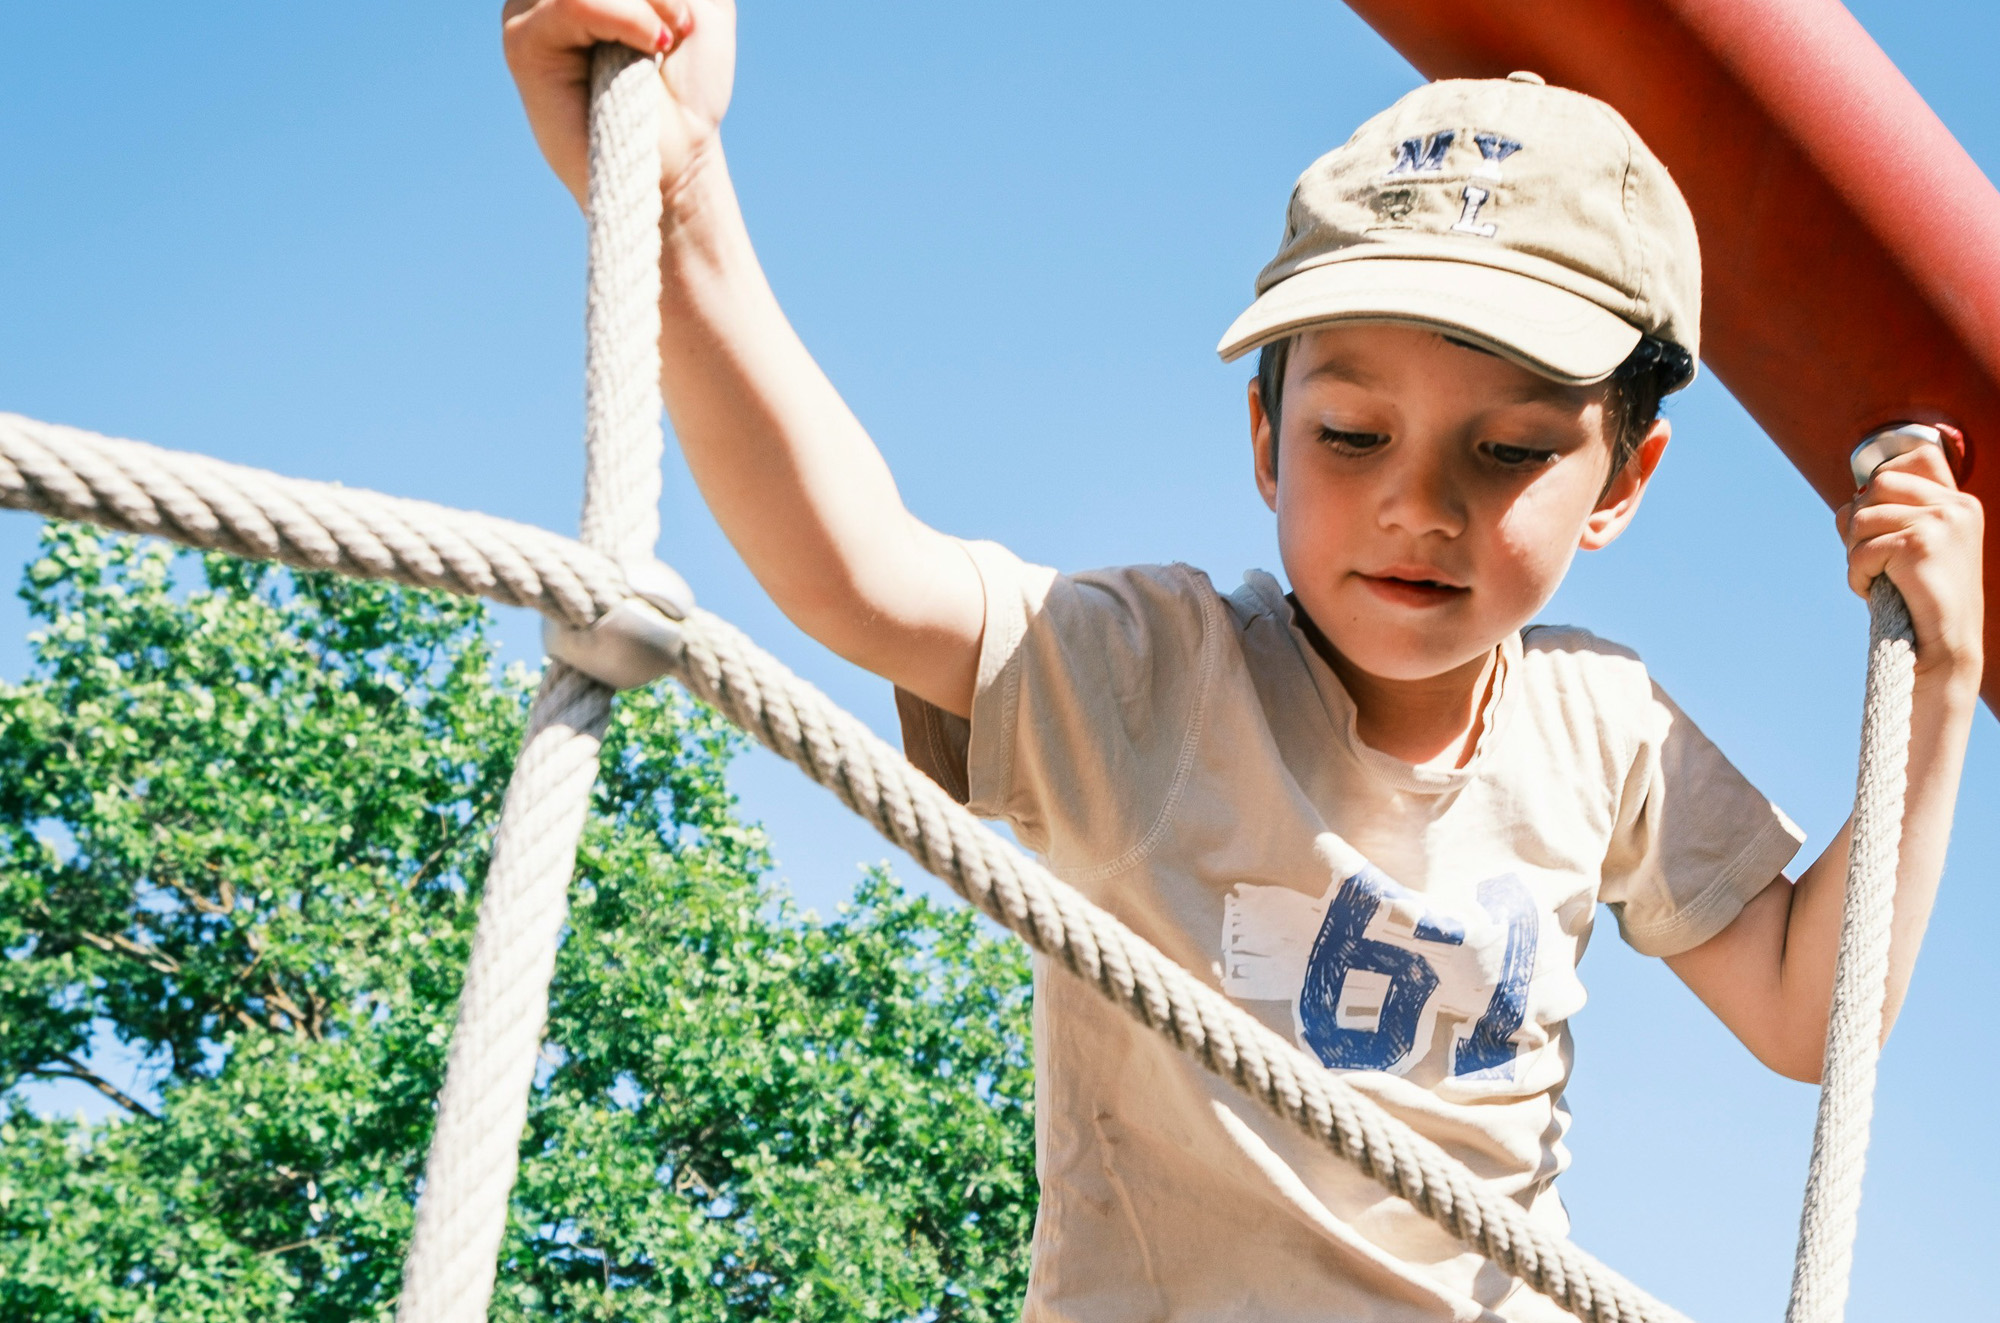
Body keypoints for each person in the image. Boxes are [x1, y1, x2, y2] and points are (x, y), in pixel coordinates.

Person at [501, 2, 1986, 1318]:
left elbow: (1810, 1006)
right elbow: (861, 572)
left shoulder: (1603, 730)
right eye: (1353, 434)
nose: (1421, 502)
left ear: (1623, 480)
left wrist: (1934, 682)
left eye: (1513, 450)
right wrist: (680, 200)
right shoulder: (1159, 674)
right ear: (1266, 435)